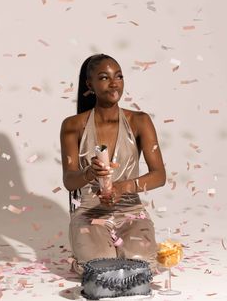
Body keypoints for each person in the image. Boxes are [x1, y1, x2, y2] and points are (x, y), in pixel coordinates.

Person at [60, 54, 166, 277]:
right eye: (104, 78)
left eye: (118, 76)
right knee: (99, 266)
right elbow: (69, 181)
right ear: (90, 85)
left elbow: (159, 175)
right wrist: (89, 173)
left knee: (141, 266)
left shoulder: (140, 121)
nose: (114, 82)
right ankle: (88, 250)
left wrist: (123, 188)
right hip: (90, 212)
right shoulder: (72, 125)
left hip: (131, 211)